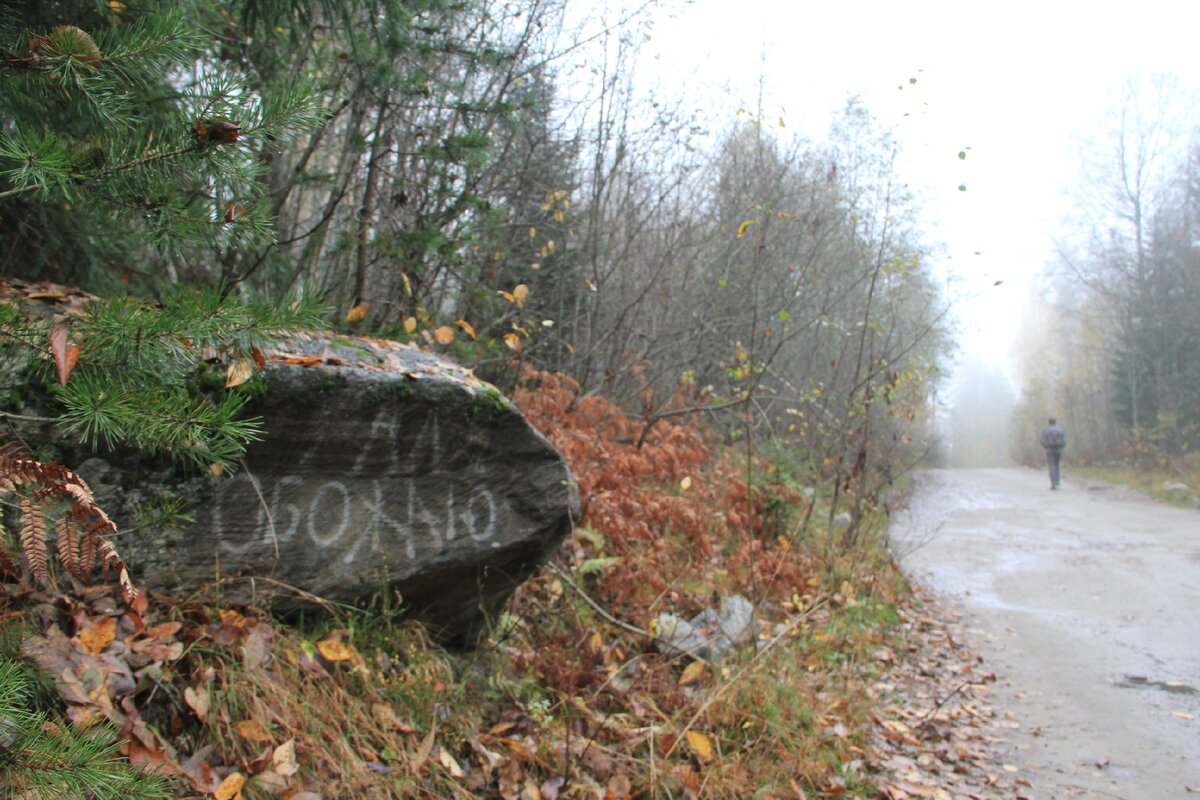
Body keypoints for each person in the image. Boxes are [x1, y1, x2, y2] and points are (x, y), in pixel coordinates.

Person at [1039, 417, 1067, 489]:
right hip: (1058, 450)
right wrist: (1061, 447)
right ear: (1055, 422)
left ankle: (1053, 484)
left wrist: (1046, 446)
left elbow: (1042, 441)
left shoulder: (1046, 430)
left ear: (1049, 423)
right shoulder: (1061, 430)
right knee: (1057, 465)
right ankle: (1057, 482)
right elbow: (1064, 441)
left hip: (1050, 450)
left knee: (1051, 466)